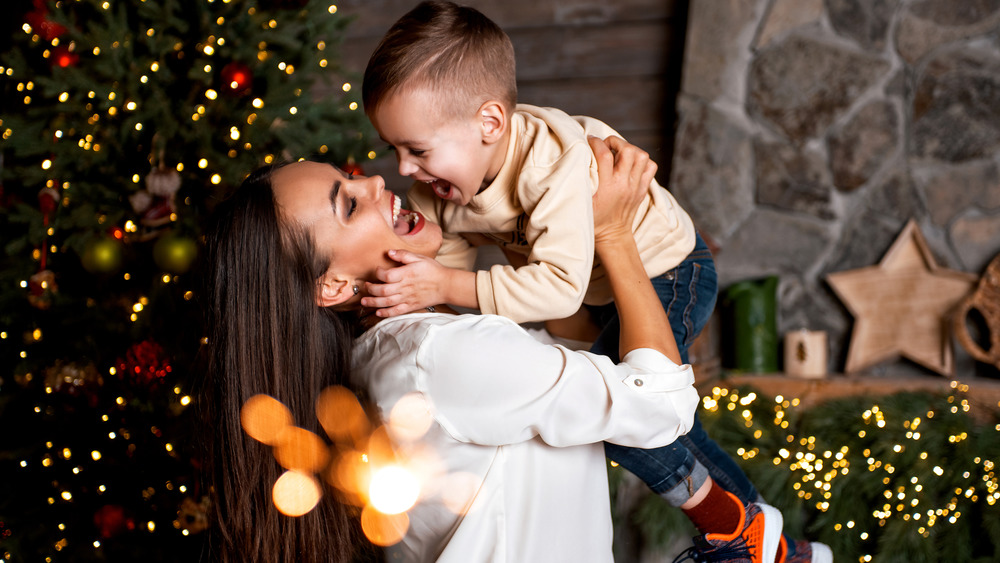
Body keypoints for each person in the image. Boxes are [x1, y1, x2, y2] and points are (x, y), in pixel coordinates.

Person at [357, 3, 831, 562]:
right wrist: (423, 287)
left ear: (489, 123)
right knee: (645, 421)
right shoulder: (439, 191)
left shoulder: (551, 166)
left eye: (418, 150)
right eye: (395, 150)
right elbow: (453, 295)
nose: (405, 168)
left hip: (666, 270)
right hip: (594, 290)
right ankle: (766, 542)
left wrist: (444, 286)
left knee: (627, 419)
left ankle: (742, 534)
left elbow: (546, 288)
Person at [201, 136, 751, 562]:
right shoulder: (441, 354)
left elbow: (573, 351)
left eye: (351, 177)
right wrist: (611, 233)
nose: (373, 182)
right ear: (334, 287)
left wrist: (526, 222)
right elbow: (660, 410)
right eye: (348, 205)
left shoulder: (388, 358)